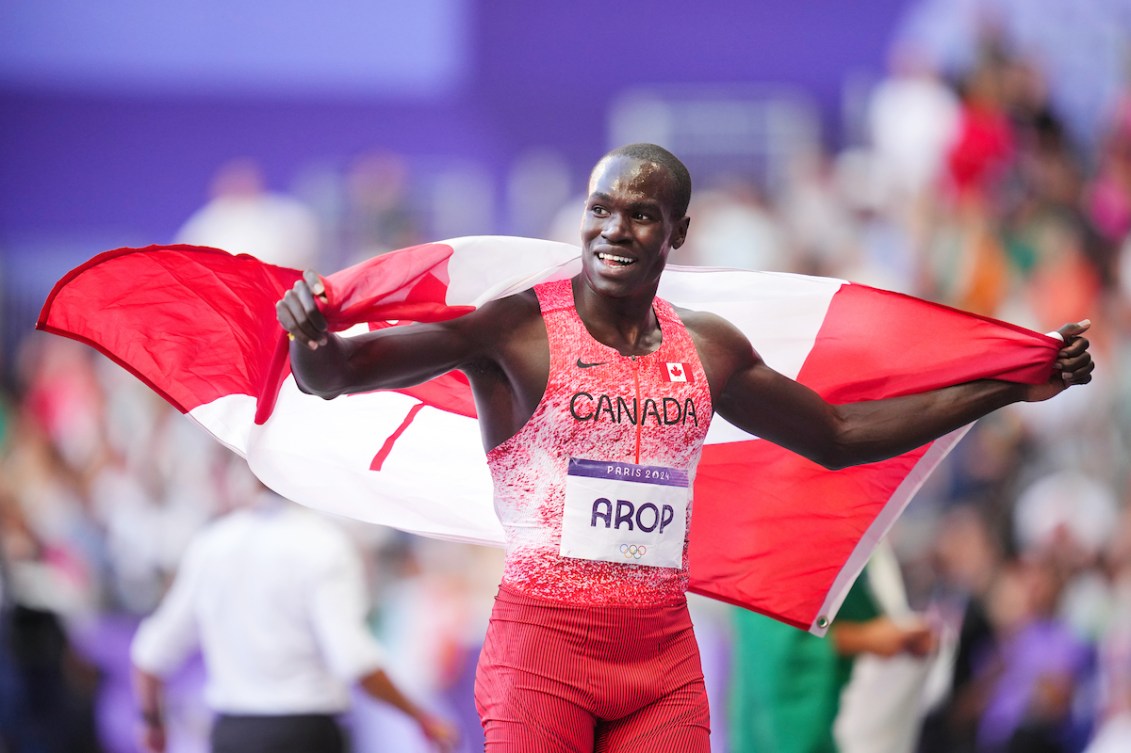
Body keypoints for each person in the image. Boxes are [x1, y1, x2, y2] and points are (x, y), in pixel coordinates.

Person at [275, 142, 1094, 751]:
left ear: (679, 229)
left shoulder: (708, 349)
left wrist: (1006, 387)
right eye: (601, 208)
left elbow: (839, 437)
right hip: (542, 645)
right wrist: (312, 338)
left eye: (639, 212)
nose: (614, 229)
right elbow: (335, 375)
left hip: (661, 656)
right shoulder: (518, 327)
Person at [129, 472, 458, 753]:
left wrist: (152, 723)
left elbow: (152, 653)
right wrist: (420, 717)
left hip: (233, 734)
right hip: (304, 734)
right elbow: (353, 658)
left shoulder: (212, 544)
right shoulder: (322, 543)